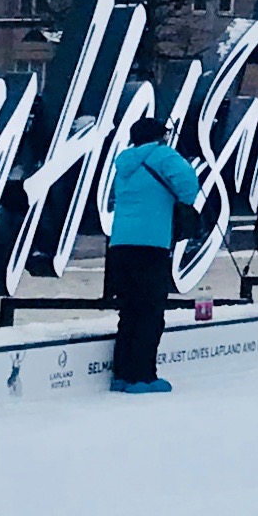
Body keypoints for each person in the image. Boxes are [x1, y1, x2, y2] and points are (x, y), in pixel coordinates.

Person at [102, 116, 203, 393]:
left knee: (129, 311)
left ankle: (121, 375)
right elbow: (188, 189)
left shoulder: (123, 163)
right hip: (152, 244)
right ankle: (143, 377)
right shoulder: (164, 155)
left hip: (121, 244)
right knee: (150, 312)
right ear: (160, 136)